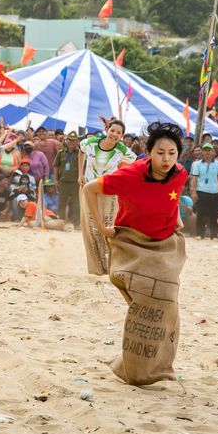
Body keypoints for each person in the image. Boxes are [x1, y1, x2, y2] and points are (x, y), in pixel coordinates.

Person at [82, 122, 188, 386]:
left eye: (172, 153)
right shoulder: (130, 175)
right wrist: (103, 228)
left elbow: (172, 199)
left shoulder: (180, 173)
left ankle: (154, 366)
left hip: (164, 246)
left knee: (166, 303)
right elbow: (88, 189)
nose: (166, 159)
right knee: (141, 301)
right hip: (131, 242)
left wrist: (176, 218)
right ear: (149, 152)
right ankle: (134, 368)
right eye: (160, 152)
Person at [79, 119, 136, 274]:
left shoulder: (123, 150)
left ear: (122, 136)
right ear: (106, 130)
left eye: (119, 133)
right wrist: (80, 174)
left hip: (109, 191)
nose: (115, 134)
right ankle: (96, 267)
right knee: (91, 228)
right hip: (88, 189)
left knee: (109, 226)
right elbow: (81, 151)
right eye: (113, 130)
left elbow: (133, 163)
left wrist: (120, 177)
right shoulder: (90, 142)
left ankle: (111, 264)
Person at [189, 141, 218, 240]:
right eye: (205, 150)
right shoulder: (197, 164)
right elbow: (195, 179)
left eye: (209, 150)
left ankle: (214, 234)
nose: (207, 152)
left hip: (214, 191)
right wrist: (194, 192)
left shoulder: (217, 164)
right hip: (201, 191)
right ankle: (200, 234)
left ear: (213, 151)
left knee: (214, 213)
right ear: (202, 152)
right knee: (200, 213)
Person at [53, 131, 80, 226]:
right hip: (63, 182)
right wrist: (56, 180)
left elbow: (83, 167)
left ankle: (77, 224)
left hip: (75, 182)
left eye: (74, 140)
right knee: (62, 203)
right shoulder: (61, 153)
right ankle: (60, 223)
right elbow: (56, 166)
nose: (71, 142)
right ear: (66, 140)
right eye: (69, 140)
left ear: (77, 141)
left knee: (76, 204)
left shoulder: (80, 153)